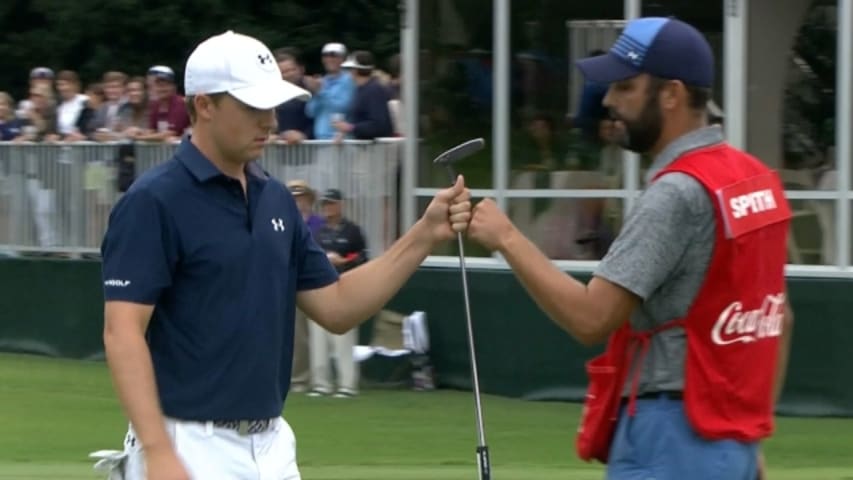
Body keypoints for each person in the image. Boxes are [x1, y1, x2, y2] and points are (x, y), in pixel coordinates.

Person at [100, 30, 470, 480]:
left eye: (271, 107)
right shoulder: (153, 201)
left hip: (272, 443)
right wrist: (158, 452)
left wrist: (424, 235)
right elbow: (123, 331)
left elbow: (336, 307)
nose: (269, 121)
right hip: (186, 443)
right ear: (204, 105)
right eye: (252, 107)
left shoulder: (275, 198)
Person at [467, 17, 794, 480]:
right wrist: (749, 431)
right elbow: (781, 318)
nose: (608, 101)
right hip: (731, 439)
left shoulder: (676, 192)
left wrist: (506, 237)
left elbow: (591, 318)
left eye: (625, 87)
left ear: (671, 94)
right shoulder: (757, 180)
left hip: (670, 434)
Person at [308, 189, 367, 398]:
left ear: (340, 205)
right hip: (320, 287)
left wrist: (343, 261)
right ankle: (321, 383)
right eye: (325, 204)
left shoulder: (352, 231)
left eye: (332, 204)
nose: (328, 208)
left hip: (345, 285)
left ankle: (347, 384)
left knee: (344, 338)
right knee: (318, 338)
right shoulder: (318, 232)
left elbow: (362, 257)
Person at [286, 179, 324, 392]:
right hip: (292, 283)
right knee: (297, 335)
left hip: (318, 284)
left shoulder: (319, 224)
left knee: (318, 335)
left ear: (309, 199)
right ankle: (299, 379)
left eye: (301, 198)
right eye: (294, 198)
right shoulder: (284, 222)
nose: (298, 202)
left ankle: (319, 379)